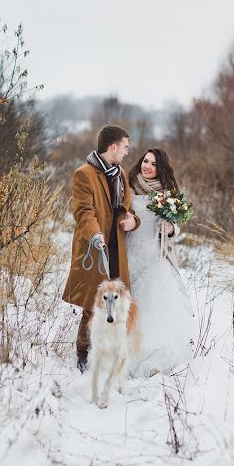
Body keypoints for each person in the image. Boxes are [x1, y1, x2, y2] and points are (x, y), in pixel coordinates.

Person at [63, 125, 140, 373]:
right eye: (125, 147)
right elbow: (83, 211)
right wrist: (95, 234)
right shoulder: (84, 174)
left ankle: (109, 352)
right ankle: (83, 354)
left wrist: (133, 221)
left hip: (117, 247)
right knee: (92, 304)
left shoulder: (121, 174)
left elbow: (128, 208)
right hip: (94, 248)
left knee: (116, 302)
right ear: (113, 147)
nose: (127, 152)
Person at [126, 148, 196, 377]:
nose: (147, 166)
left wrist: (171, 227)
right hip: (129, 254)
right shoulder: (128, 185)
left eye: (153, 164)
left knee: (153, 309)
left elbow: (175, 223)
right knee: (129, 307)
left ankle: (151, 359)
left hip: (155, 257)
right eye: (145, 161)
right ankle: (122, 355)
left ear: (160, 169)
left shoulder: (166, 193)